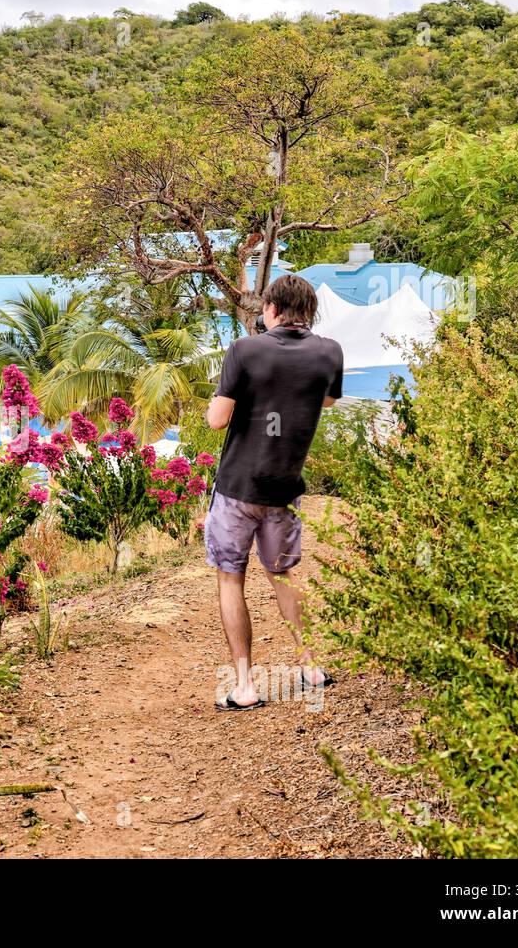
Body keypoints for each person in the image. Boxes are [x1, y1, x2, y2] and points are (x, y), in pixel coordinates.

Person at [202, 274, 343, 711]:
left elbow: (216, 420)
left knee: (231, 577)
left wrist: (248, 393)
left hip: (238, 487)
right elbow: (326, 402)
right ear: (310, 312)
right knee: (282, 573)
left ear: (271, 310)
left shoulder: (245, 349)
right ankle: (310, 667)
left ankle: (244, 687)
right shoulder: (329, 352)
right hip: (285, 488)